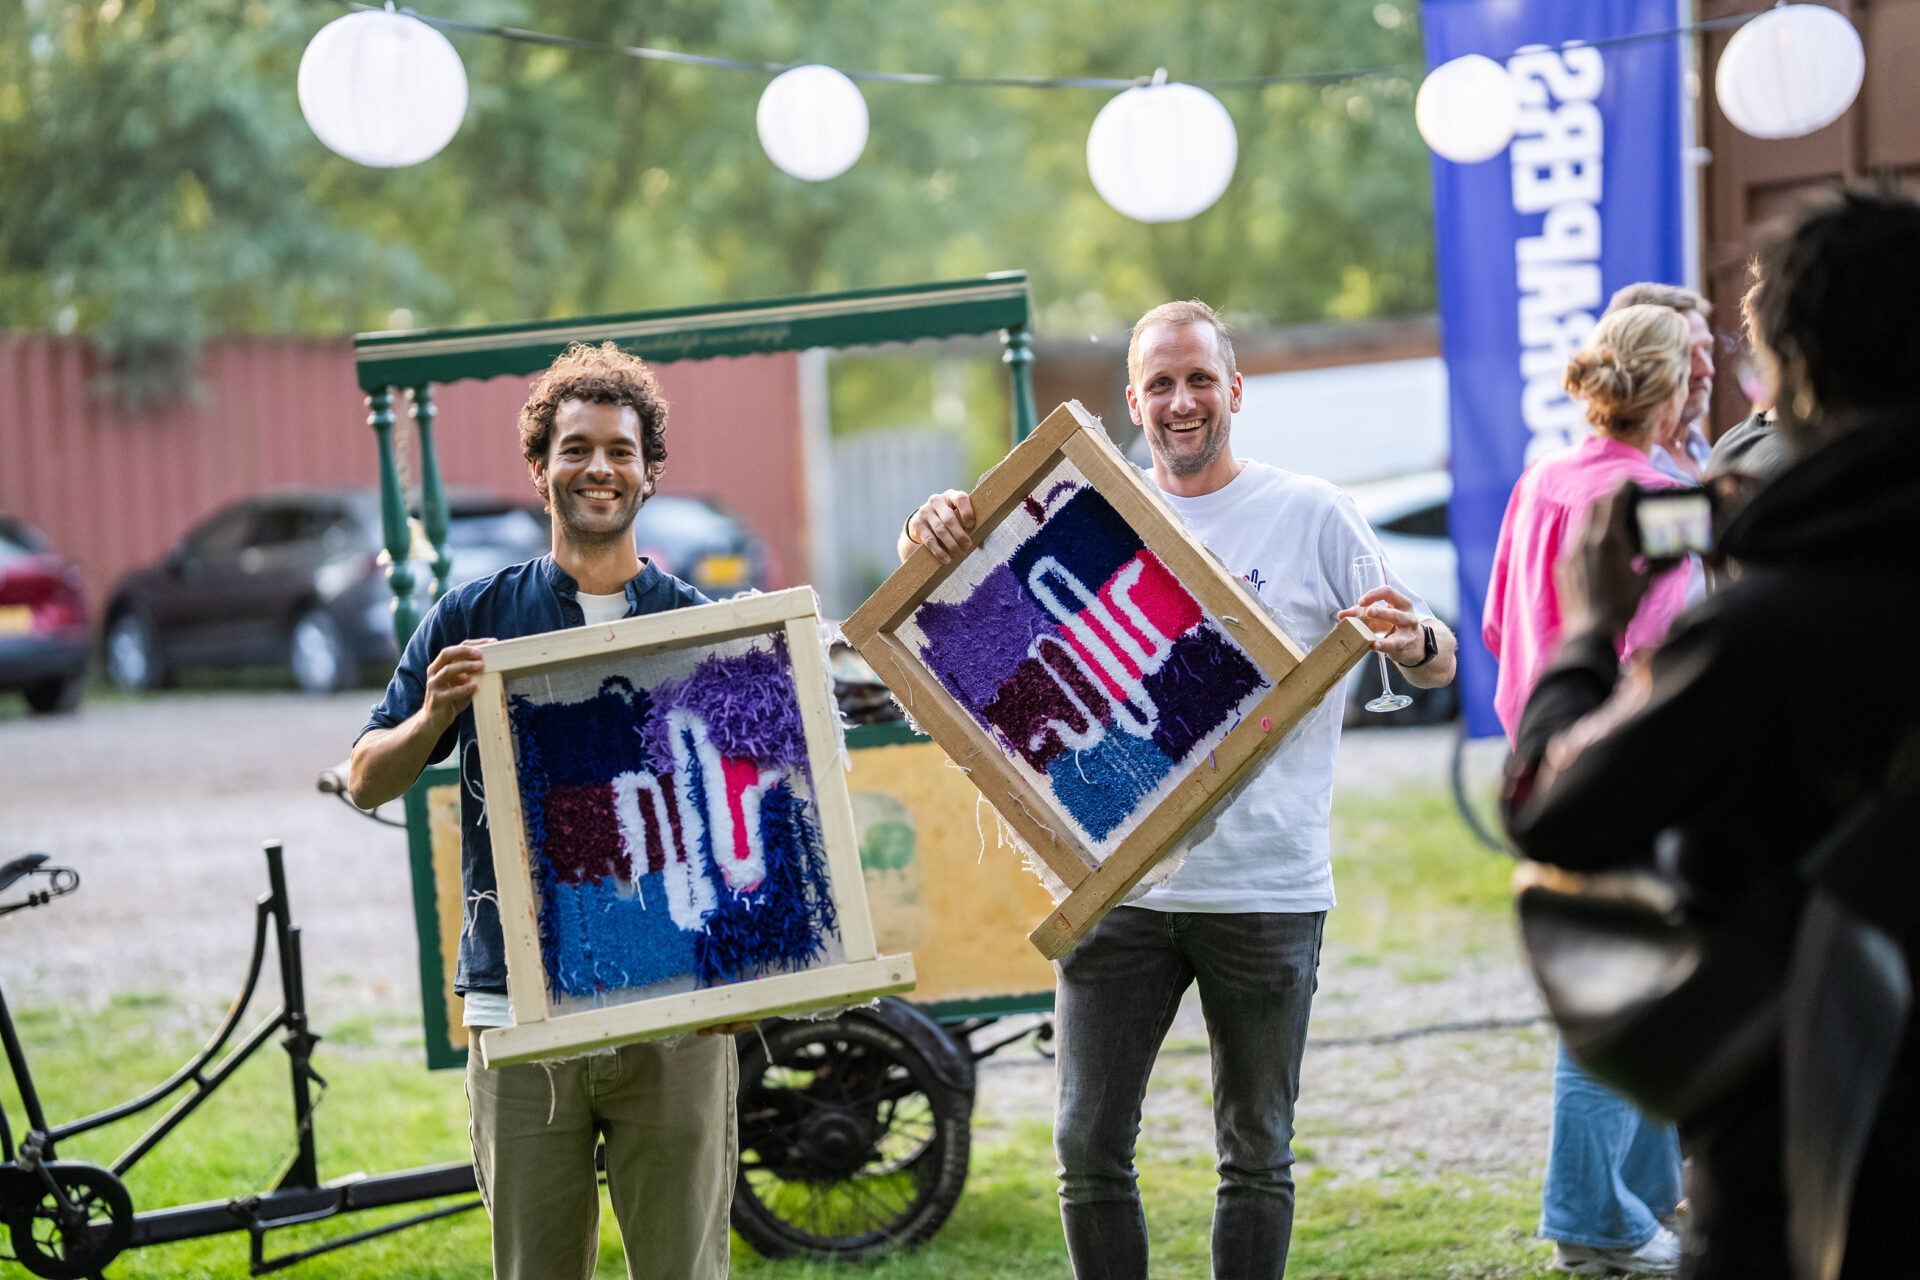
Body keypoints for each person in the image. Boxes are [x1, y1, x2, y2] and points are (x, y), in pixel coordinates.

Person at [899, 299, 1458, 1280]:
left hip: (1267, 890)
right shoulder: (1090, 518)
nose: (1183, 399)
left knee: (1256, 1152)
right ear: (1133, 402)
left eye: (1200, 378)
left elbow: (1437, 661)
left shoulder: (1312, 513)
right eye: (1161, 382)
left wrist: (1416, 639)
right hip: (1118, 885)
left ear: (1235, 390)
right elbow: (971, 619)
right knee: (1086, 1147)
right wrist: (941, 527)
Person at [1502, 185, 1920, 1278]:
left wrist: (1590, 630)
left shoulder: (1771, 626)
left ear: (1801, 372)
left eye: (1753, 363)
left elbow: (1555, 814)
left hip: (1815, 1146)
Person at [348, 342, 740, 1280]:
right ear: (540, 468)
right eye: (575, 449)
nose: (597, 467)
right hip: (519, 1003)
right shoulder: (471, 619)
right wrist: (439, 711)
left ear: (650, 473)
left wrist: (749, 966)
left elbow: (743, 822)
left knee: (685, 1267)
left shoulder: (702, 628)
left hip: (675, 1005)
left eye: (618, 449)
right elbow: (365, 776)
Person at [1482, 304, 1695, 1275]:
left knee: (1635, 975)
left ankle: (1646, 1198)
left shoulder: (1539, 483)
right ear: (1673, 387)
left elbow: (1497, 624)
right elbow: (1660, 650)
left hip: (1539, 757)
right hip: (1627, 764)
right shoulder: (1656, 495)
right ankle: (1591, 1217)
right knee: (1615, 983)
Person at [1604, 283, 1717, 482]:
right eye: (1685, 355)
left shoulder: (1708, 452)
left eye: (1706, 349)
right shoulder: (1610, 475)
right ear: (1633, 363)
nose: (1707, 369)